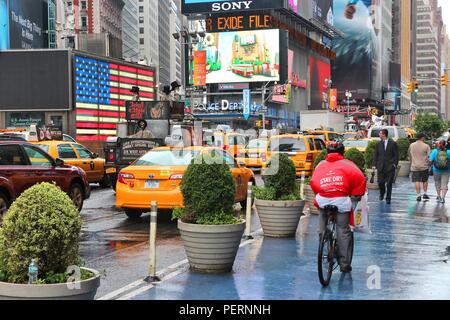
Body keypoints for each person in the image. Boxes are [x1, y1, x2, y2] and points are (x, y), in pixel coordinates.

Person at [310, 142, 367, 273]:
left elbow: (314, 182)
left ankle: (323, 235)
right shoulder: (349, 165)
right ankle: (344, 263)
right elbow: (360, 179)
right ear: (343, 153)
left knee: (322, 219)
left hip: (323, 199)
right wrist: (356, 194)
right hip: (342, 200)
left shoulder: (320, 165)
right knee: (343, 229)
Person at [372, 129, 399, 205]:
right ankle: (382, 193)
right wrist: (374, 165)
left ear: (384, 134)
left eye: (380, 133)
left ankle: (388, 198)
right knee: (381, 182)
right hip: (380, 167)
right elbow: (376, 155)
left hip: (390, 167)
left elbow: (396, 155)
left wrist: (394, 164)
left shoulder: (393, 143)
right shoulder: (378, 144)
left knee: (389, 183)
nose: (379, 135)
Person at [408, 133, 431, 202]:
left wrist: (412, 161)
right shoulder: (426, 146)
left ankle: (418, 195)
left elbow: (409, 154)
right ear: (422, 138)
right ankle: (425, 193)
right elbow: (428, 156)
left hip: (414, 166)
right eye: (424, 137)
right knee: (425, 180)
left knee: (417, 181)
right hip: (424, 166)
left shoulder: (411, 145)